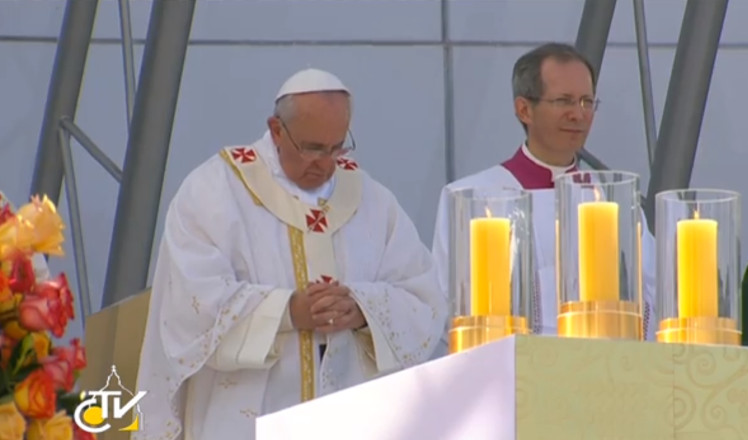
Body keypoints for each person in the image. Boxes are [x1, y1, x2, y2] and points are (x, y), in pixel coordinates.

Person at [134, 69, 447, 440]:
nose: (327, 163)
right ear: (277, 130)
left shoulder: (373, 200)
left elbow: (423, 297)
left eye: (337, 148)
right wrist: (286, 311)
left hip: (352, 418)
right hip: (245, 421)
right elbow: (189, 305)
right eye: (314, 148)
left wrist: (364, 310)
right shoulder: (214, 192)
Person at [431, 43, 656, 344]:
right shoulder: (470, 198)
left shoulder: (616, 203)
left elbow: (658, 297)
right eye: (564, 101)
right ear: (524, 109)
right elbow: (446, 306)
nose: (579, 114)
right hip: (512, 376)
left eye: (587, 102)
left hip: (605, 372)